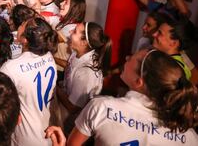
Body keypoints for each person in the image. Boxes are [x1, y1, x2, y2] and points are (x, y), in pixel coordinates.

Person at [67, 49, 198, 145]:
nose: (126, 58)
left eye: (131, 58)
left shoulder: (101, 108)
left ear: (139, 82)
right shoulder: (190, 137)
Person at [0, 17, 58, 146]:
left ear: (25, 40)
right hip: (45, 129)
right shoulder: (49, 57)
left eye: (22, 25)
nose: (19, 26)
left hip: (25, 135)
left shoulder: (11, 68)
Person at [57, 22, 112, 133]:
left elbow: (72, 108)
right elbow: (70, 66)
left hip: (72, 123)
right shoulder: (77, 52)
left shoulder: (86, 73)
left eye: (74, 31)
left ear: (84, 42)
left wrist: (53, 85)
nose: (70, 32)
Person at [152, 17, 197, 82]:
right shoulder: (171, 62)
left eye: (160, 33)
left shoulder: (172, 68)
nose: (154, 34)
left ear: (174, 43)